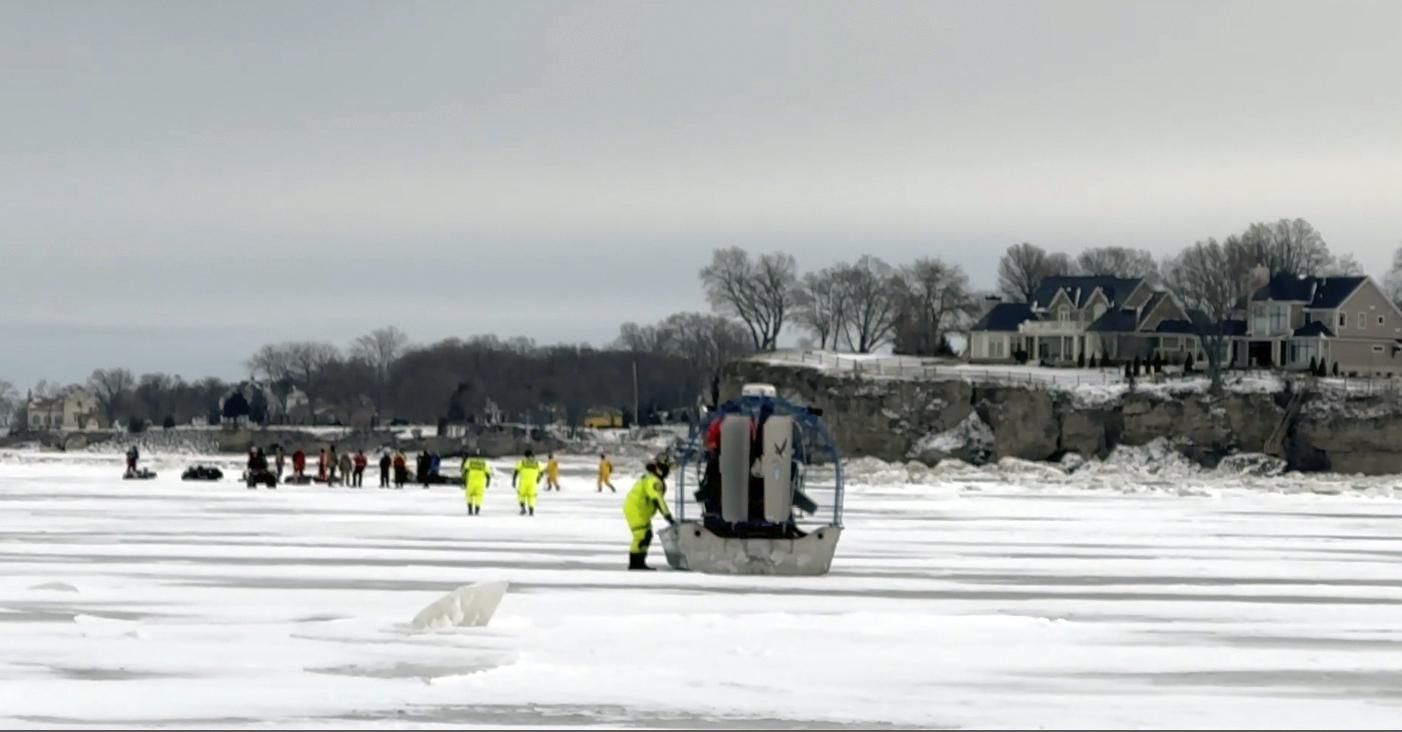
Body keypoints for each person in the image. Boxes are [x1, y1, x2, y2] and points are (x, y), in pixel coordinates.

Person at [623, 459, 674, 570]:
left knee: (646, 535)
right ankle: (635, 564)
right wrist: (667, 515)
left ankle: (639, 562)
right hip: (636, 510)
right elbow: (657, 499)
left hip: (639, 510)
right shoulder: (653, 481)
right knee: (641, 536)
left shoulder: (652, 478)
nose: (667, 473)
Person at [461, 450, 491, 515]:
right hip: (480, 483)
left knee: (469, 496)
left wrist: (463, 481)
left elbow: (465, 471)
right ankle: (477, 511)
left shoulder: (469, 462)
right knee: (479, 497)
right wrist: (488, 482)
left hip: (470, 482)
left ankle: (470, 510)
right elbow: (488, 474)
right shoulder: (484, 463)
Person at [513, 450, 542, 516]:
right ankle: (531, 510)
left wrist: (514, 480)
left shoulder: (522, 462)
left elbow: (516, 471)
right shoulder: (537, 463)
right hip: (533, 483)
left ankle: (523, 509)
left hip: (523, 482)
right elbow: (541, 471)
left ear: (525, 455)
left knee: (521, 495)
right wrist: (538, 478)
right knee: (532, 496)